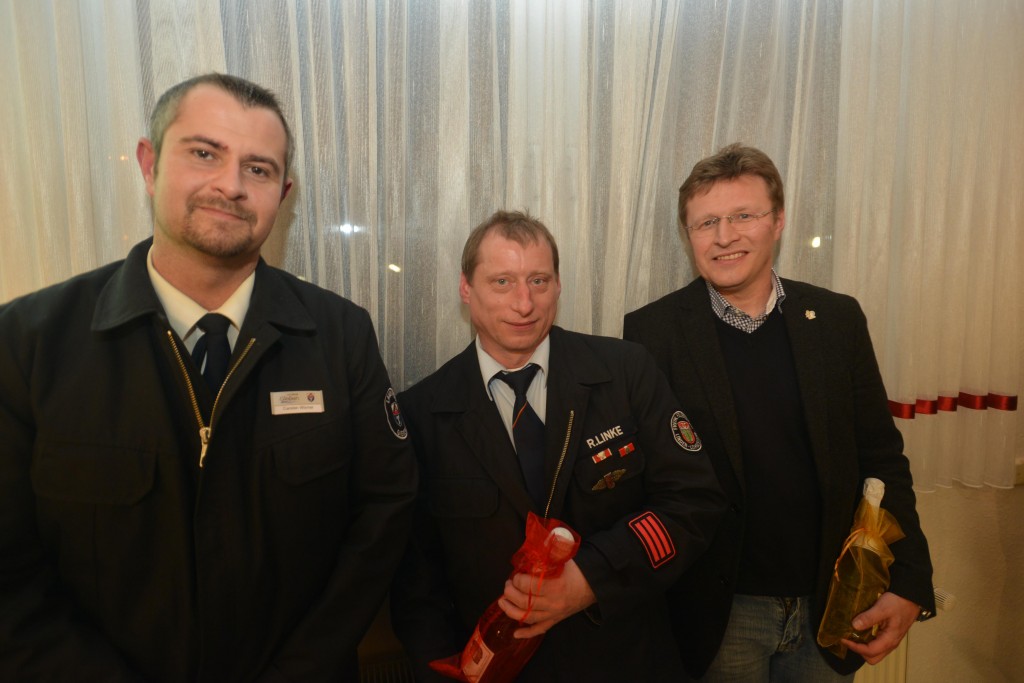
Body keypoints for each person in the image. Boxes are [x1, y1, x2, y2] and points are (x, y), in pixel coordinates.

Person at [0, 73, 417, 681]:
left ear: (284, 193)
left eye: (258, 168)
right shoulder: (27, 344)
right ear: (150, 163)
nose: (230, 185)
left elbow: (382, 514)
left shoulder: (340, 334)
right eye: (204, 153)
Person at [623, 143, 935, 681]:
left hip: (831, 603)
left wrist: (909, 580)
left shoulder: (837, 320)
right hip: (717, 615)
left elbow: (882, 456)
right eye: (706, 223)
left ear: (779, 221)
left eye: (744, 215)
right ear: (688, 235)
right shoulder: (651, 334)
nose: (725, 236)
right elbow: (645, 488)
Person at [390, 210, 726, 682]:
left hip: (628, 661)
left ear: (559, 284)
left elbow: (693, 500)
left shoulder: (625, 371)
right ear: (467, 289)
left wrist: (591, 579)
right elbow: (416, 581)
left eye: (539, 280)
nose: (524, 303)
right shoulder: (424, 412)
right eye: (502, 281)